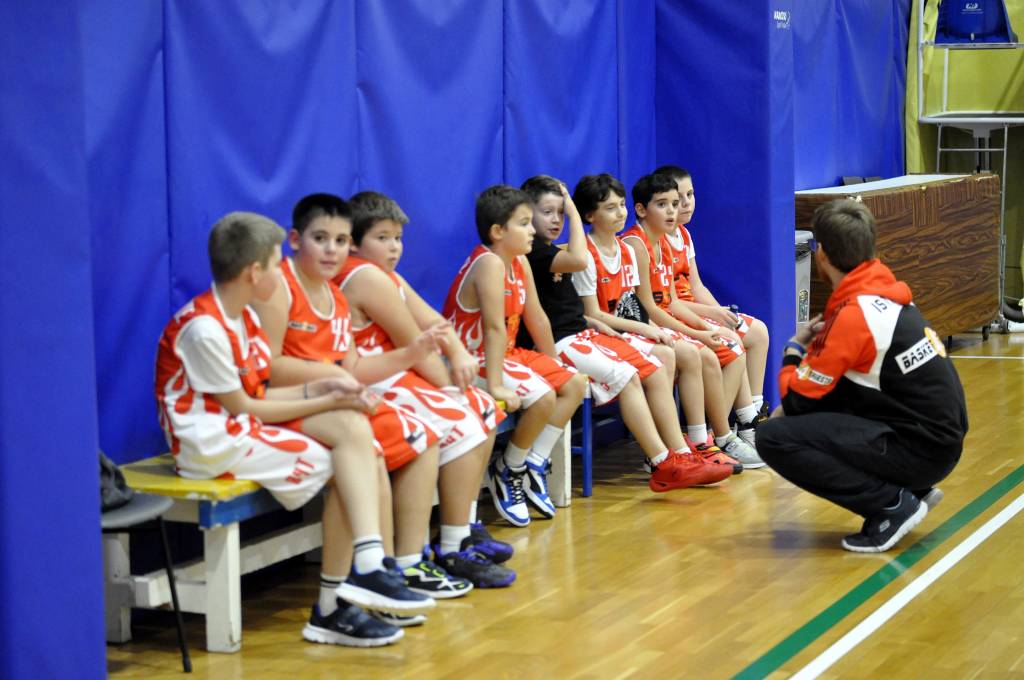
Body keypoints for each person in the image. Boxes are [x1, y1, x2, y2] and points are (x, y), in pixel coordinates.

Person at [155, 211, 433, 648]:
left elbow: (259, 394)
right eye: (275, 263)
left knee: (359, 444)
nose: (282, 270)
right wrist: (329, 398)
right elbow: (248, 407)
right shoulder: (205, 328)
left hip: (238, 426)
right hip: (208, 444)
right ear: (254, 272)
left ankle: (363, 571)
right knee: (351, 460)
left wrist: (322, 388)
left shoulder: (243, 318)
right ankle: (341, 595)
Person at [249, 194, 458, 629]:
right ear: (294, 240)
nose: (332, 250)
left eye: (341, 241)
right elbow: (267, 368)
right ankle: (371, 564)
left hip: (316, 399)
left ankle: (377, 574)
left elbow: (354, 368)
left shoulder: (335, 297)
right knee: (356, 434)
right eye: (321, 238)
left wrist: (410, 354)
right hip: (268, 404)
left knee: (387, 443)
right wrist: (333, 377)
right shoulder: (279, 287)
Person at [758, 199, 967, 553]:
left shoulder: (856, 314)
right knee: (829, 399)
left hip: (922, 451)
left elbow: (797, 401)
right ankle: (911, 491)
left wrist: (793, 351)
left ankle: (891, 504)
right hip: (937, 442)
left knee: (773, 438)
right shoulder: (880, 290)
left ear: (822, 254)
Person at [337, 190, 516, 588]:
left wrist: (457, 352)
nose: (394, 247)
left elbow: (434, 321)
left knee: (485, 408)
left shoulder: (386, 275)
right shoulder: (363, 276)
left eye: (398, 238)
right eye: (382, 238)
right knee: (463, 418)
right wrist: (451, 386)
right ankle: (438, 550)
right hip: (374, 380)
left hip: (394, 374)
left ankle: (463, 529)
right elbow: (412, 345)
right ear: (354, 242)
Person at [519, 174, 730, 490]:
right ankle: (666, 461)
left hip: (586, 332)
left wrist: (606, 326)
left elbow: (602, 311)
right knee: (634, 372)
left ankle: (683, 453)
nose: (557, 219)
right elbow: (575, 285)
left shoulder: (559, 251)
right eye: (548, 212)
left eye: (561, 212)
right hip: (562, 343)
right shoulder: (545, 254)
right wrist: (574, 212)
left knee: (657, 365)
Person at [443, 184, 587, 527]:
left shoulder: (519, 261)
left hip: (506, 353)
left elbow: (537, 318)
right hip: (474, 358)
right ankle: (509, 468)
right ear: (498, 232)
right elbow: (493, 328)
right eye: (524, 223)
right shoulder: (489, 264)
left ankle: (529, 462)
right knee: (543, 397)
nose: (533, 229)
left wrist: (554, 364)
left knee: (573, 383)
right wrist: (495, 386)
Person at [621, 173, 764, 469]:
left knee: (737, 342)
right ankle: (711, 439)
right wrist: (699, 332)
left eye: (676, 203)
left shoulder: (664, 239)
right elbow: (649, 308)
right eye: (664, 204)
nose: (675, 209)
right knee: (709, 352)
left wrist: (710, 324)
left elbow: (672, 300)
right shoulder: (636, 244)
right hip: (641, 325)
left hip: (666, 318)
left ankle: (718, 435)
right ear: (640, 209)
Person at [653, 164, 771, 423]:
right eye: (678, 198)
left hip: (695, 310)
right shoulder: (656, 241)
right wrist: (713, 316)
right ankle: (724, 428)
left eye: (690, 194)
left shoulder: (684, 235)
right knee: (732, 339)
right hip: (678, 316)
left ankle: (754, 411)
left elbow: (697, 287)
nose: (686, 203)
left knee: (758, 332)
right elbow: (670, 303)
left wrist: (720, 313)